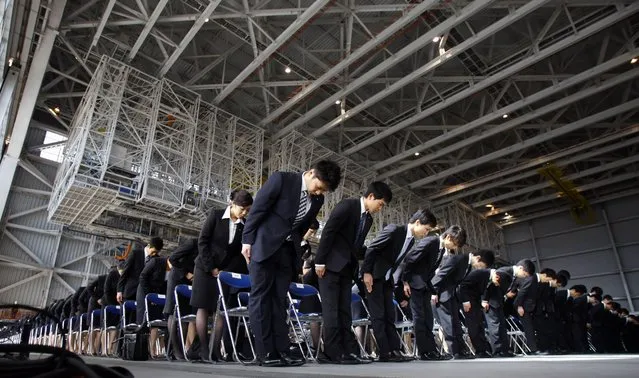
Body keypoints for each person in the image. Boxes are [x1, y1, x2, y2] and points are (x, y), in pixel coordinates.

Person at [242, 160, 341, 367]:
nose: (319, 192)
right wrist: (247, 240)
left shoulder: (318, 200)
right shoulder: (282, 180)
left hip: (286, 253)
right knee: (261, 299)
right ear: (311, 173)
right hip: (264, 247)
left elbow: (302, 226)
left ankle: (282, 350)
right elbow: (258, 209)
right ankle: (265, 352)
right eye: (319, 187)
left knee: (279, 302)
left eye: (324, 191)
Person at [315, 182, 392, 364]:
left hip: (347, 269)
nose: (380, 209)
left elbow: (356, 246)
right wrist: (320, 260)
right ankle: (332, 353)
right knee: (331, 311)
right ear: (371, 196)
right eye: (380, 204)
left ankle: (348, 351)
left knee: (344, 311)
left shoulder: (368, 219)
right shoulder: (347, 206)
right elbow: (328, 232)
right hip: (329, 266)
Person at [361, 206, 438, 363]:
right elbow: (372, 248)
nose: (426, 233)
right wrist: (367, 272)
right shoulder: (395, 230)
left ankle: (395, 349)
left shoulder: (410, 241)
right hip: (373, 277)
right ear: (417, 222)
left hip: (387, 280)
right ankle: (384, 352)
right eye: (426, 229)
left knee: (390, 316)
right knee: (379, 316)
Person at [191, 190, 252, 362]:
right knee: (203, 307)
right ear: (232, 204)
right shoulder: (216, 215)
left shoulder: (244, 225)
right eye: (243, 208)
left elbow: (237, 254)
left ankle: (215, 349)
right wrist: (211, 267)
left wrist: (225, 272)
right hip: (204, 268)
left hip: (223, 273)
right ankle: (203, 348)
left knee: (220, 310)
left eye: (248, 210)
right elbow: (202, 241)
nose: (245, 213)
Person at [399, 211, 452, 361]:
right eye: (427, 228)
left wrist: (431, 288)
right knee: (419, 319)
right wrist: (405, 281)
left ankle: (432, 350)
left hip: (424, 286)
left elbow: (428, 270)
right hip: (414, 284)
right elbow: (410, 258)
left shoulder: (440, 249)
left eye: (429, 230)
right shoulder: (431, 242)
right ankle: (424, 352)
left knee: (428, 319)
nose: (427, 232)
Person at [430, 226, 475, 359]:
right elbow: (436, 276)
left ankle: (461, 350)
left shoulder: (451, 255)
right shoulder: (434, 249)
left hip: (451, 294)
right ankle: (453, 351)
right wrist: (434, 292)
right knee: (447, 324)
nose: (455, 247)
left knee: (456, 324)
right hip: (440, 294)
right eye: (455, 244)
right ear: (449, 237)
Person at [483, 259, 534, 356]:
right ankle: (497, 351)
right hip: (491, 302)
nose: (524, 277)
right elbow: (488, 284)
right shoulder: (503, 272)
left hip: (499, 302)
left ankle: (505, 350)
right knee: (494, 327)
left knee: (502, 327)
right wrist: (484, 300)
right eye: (524, 274)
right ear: (521, 268)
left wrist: (505, 296)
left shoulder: (513, 276)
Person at [165, 238, 198, 360]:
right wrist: (186, 273)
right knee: (173, 311)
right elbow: (172, 258)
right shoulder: (192, 243)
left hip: (190, 280)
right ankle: (175, 348)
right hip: (178, 277)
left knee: (185, 313)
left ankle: (182, 347)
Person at [459, 263, 500, 358]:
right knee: (473, 325)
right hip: (468, 300)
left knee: (479, 325)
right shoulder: (479, 273)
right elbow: (463, 285)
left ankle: (484, 349)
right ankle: (479, 350)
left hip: (476, 300)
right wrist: (465, 301)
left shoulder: (488, 277)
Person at [136, 241, 168, 358]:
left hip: (156, 295)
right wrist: (149, 294)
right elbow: (143, 276)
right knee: (143, 321)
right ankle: (140, 349)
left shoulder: (169, 270)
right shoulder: (156, 261)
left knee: (155, 322)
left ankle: (152, 349)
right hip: (144, 292)